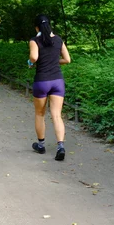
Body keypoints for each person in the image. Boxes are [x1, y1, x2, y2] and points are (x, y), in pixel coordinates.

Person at [28, 14, 71, 161]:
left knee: (40, 114)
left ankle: (41, 145)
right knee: (57, 115)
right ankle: (61, 146)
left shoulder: (35, 40)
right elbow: (67, 59)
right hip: (57, 81)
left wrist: (30, 62)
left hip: (42, 81)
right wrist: (54, 61)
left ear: (37, 27)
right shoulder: (58, 40)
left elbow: (34, 57)